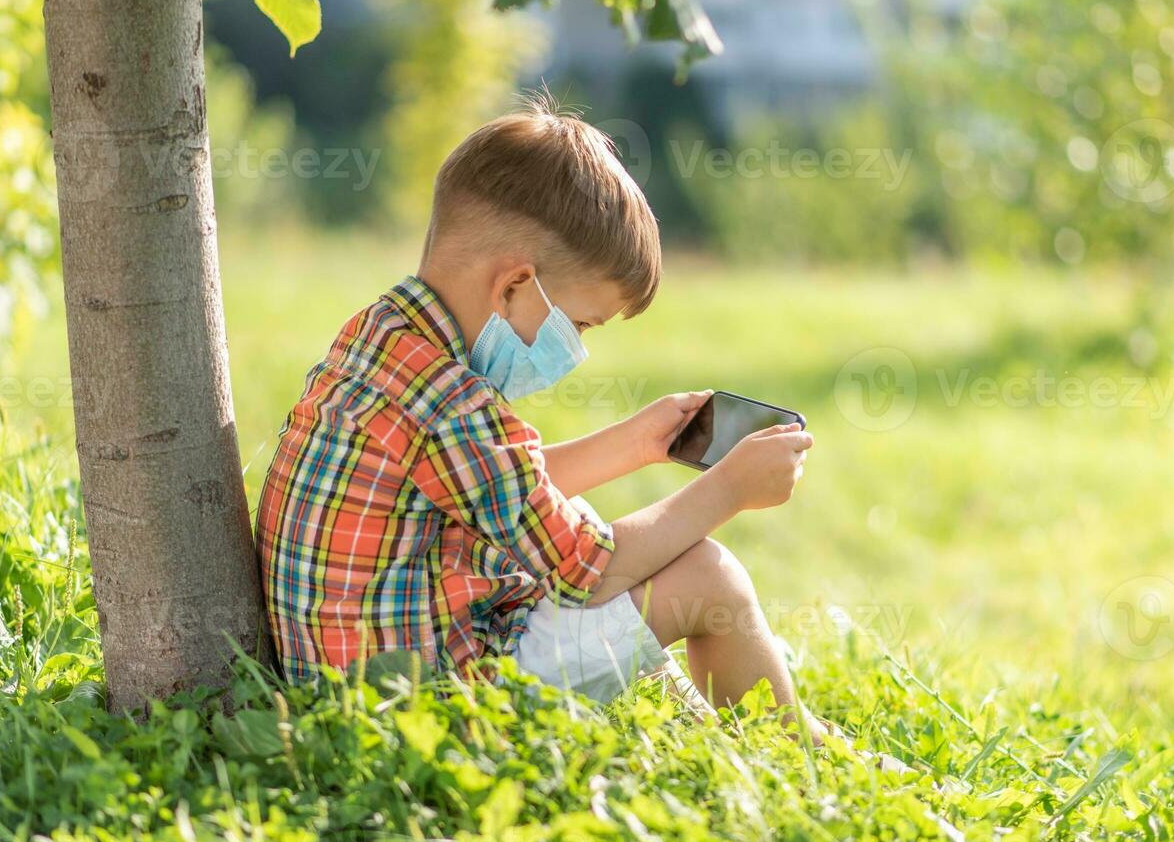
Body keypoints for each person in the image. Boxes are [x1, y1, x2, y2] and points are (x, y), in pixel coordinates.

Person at [255, 96, 822, 741]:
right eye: (579, 324)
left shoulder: (382, 338)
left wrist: (637, 443)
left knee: (623, 598)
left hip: (350, 678)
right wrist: (730, 489)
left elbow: (489, 493)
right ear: (516, 285)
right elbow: (587, 570)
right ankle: (803, 755)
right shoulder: (455, 404)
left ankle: (727, 736)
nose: (576, 347)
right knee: (708, 578)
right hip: (429, 709)